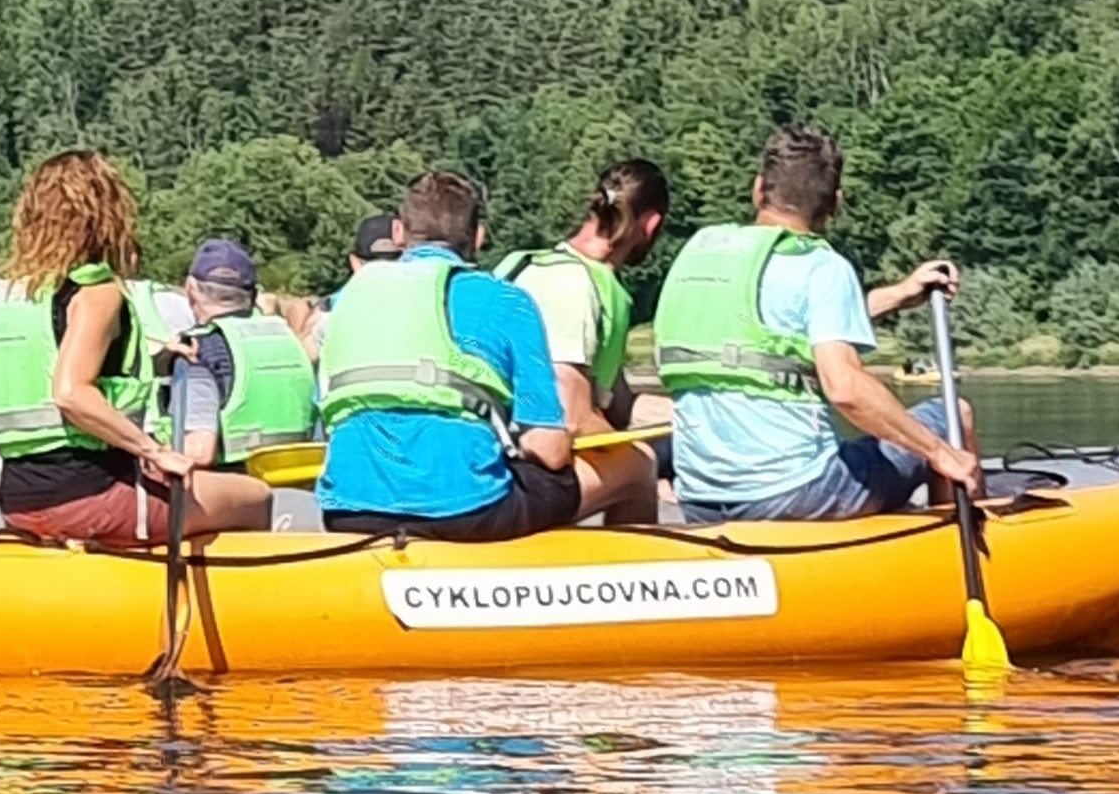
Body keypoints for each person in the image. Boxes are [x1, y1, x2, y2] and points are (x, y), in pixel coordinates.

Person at [654, 124, 977, 521]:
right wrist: (939, 453)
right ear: (835, 203)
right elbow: (845, 389)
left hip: (701, 497)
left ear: (758, 189)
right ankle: (962, 542)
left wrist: (897, 295)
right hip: (795, 494)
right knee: (951, 415)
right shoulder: (822, 267)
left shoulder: (699, 252)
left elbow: (780, 327)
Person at [0, 152, 274, 544]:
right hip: (95, 497)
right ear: (107, 217)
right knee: (256, 496)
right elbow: (70, 393)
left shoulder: (2, 300)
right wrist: (154, 451)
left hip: (18, 498)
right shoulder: (97, 292)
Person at [315, 167, 579, 540]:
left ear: (398, 232)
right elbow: (548, 449)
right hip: (466, 512)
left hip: (348, 509)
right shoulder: (508, 302)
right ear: (480, 237)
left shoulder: (344, 302)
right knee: (562, 480)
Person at [499, 158, 671, 530]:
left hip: (492, 447)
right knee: (640, 466)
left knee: (632, 452)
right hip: (514, 469)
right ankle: (634, 579)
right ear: (651, 224)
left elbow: (618, 404)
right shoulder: (575, 286)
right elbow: (572, 415)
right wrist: (632, 451)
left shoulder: (520, 264)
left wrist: (693, 420)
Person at [170, 235, 319, 460]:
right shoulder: (290, 339)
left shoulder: (197, 349)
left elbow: (198, 452)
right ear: (254, 294)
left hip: (232, 485)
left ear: (190, 290)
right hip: (302, 485)